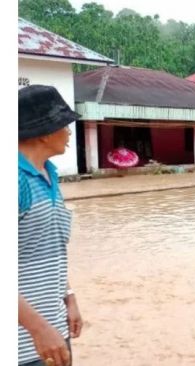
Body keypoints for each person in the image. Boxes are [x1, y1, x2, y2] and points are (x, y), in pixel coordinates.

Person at [18, 85, 83, 366]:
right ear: (44, 133)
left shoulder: (50, 175)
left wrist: (68, 297)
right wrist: (37, 328)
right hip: (21, 344)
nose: (69, 133)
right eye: (64, 125)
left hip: (52, 333)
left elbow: (49, 247)